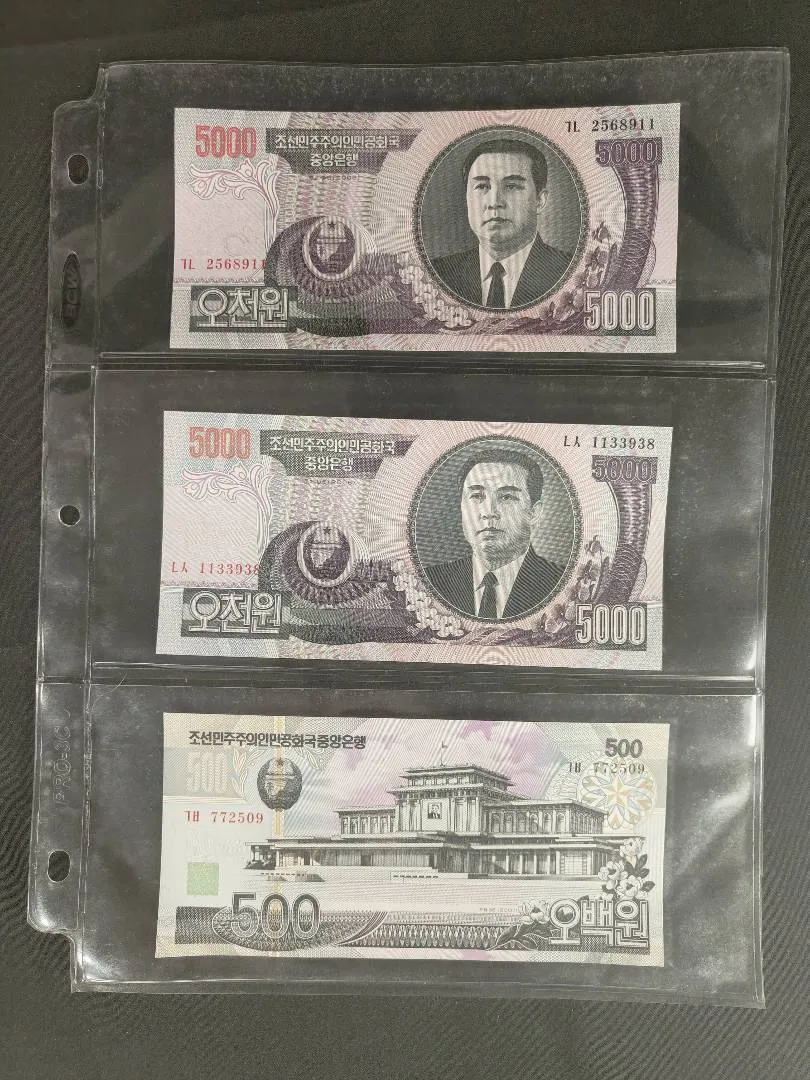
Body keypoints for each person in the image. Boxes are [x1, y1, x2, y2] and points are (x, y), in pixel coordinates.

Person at [429, 138, 572, 308]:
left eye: (511, 186)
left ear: (539, 201)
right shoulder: (438, 274)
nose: (494, 202)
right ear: (467, 198)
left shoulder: (569, 272)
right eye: (482, 186)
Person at [423, 448, 565, 620]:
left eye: (506, 497)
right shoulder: (431, 582)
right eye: (477, 496)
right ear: (461, 508)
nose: (489, 512)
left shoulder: (560, 584)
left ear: (534, 513)